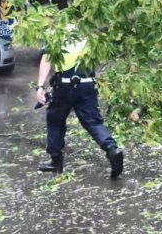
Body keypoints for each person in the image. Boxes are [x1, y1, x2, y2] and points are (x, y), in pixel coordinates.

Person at [36, 34, 124, 179]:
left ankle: (56, 161)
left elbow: (47, 58)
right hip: (87, 84)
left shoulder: (56, 32)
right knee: (93, 122)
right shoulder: (88, 30)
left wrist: (40, 86)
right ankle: (112, 150)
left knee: (55, 120)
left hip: (64, 85)